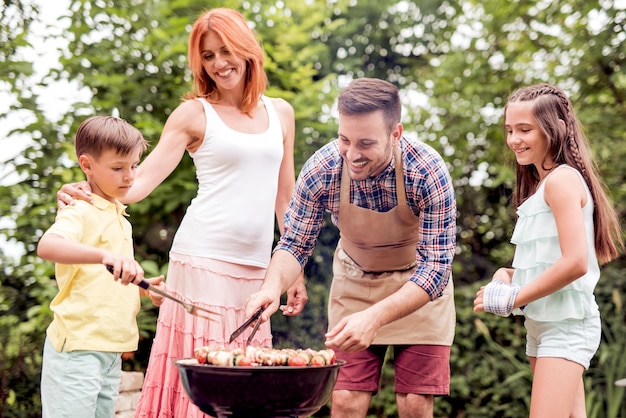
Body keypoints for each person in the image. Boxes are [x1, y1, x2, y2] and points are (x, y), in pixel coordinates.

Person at [56, 7, 307, 418]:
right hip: (202, 263)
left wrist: (293, 269)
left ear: (247, 49)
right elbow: (136, 185)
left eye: (225, 51)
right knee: (205, 385)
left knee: (249, 385)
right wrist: (84, 185)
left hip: (260, 271)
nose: (219, 63)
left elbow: (286, 197)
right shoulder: (193, 114)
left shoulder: (281, 112)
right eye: (207, 56)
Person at [244, 77, 457, 418]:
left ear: (395, 134)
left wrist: (374, 318)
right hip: (355, 283)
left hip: (417, 287)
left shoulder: (426, 171)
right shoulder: (323, 168)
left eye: (366, 143)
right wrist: (271, 287)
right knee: (344, 400)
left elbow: (435, 270)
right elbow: (295, 243)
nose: (352, 154)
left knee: (415, 403)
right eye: (345, 139)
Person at [473, 83, 623, 417]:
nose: (514, 139)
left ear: (553, 130)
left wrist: (516, 296)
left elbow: (575, 263)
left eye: (525, 130)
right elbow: (543, 266)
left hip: (566, 326)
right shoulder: (542, 187)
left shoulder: (561, 181)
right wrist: (504, 278)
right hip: (542, 325)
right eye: (510, 130)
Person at [37, 115, 165, 418]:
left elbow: (101, 281)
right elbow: (47, 246)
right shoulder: (79, 208)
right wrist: (103, 256)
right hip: (78, 347)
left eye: (133, 166)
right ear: (87, 164)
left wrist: (146, 290)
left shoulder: (119, 215)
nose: (129, 176)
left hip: (111, 349)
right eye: (118, 168)